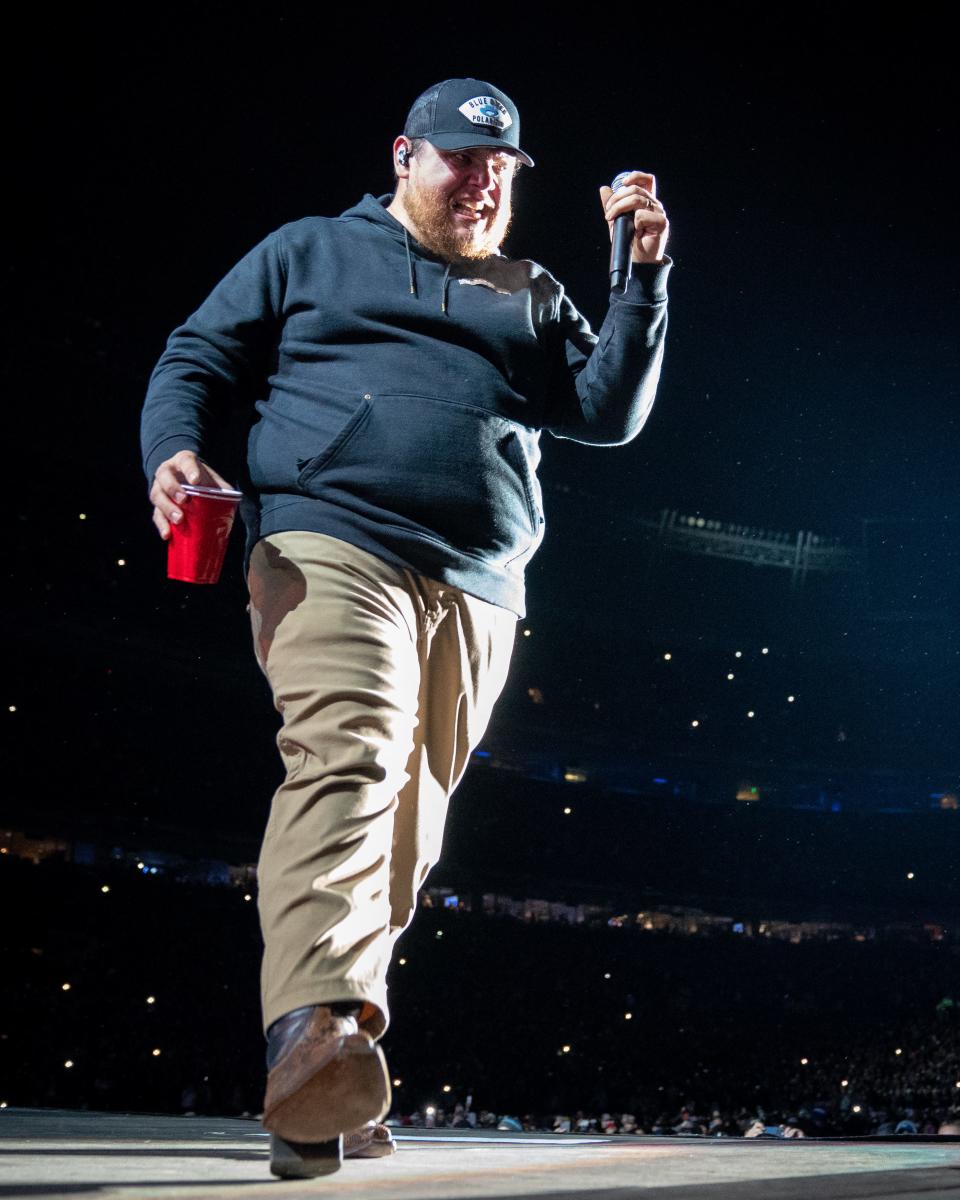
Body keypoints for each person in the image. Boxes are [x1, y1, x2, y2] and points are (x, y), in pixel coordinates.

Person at [141, 77, 670, 1178]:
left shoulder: (529, 287)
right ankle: (307, 1036)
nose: (481, 185)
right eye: (459, 163)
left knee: (412, 824)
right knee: (352, 750)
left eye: (501, 171)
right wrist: (175, 452)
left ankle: (347, 1053)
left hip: (481, 581)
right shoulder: (310, 253)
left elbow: (606, 413)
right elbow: (196, 357)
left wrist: (643, 278)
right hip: (331, 539)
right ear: (402, 157)